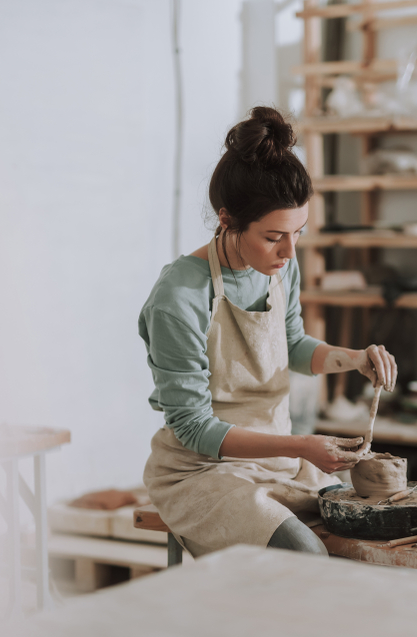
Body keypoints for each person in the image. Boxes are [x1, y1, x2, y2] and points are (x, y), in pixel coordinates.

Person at [139, 106, 397, 557]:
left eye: (299, 232)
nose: (290, 252)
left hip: (281, 462)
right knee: (306, 553)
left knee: (373, 534)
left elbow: (293, 345)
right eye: (274, 236)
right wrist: (302, 445)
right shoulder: (178, 297)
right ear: (227, 220)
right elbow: (194, 427)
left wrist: (353, 358)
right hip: (202, 472)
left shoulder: (278, 268)